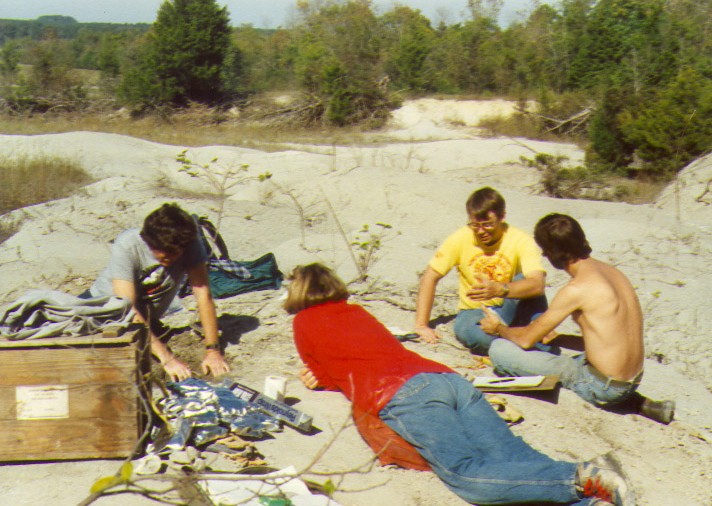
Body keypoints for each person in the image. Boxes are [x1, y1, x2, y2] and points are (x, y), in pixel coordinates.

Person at [285, 262, 635, 506]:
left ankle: (580, 477)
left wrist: (318, 380)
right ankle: (589, 501)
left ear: (300, 290)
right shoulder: (357, 310)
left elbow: (331, 376)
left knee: (467, 476)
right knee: (513, 457)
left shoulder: (303, 321)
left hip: (403, 393)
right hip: (447, 379)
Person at [480, 213, 674, 424]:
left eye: (545, 250)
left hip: (603, 386)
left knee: (499, 350)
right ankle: (639, 402)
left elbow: (526, 339)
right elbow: (610, 341)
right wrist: (559, 339)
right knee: (571, 361)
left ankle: (626, 402)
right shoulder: (615, 274)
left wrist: (498, 328)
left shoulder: (577, 289)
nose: (545, 255)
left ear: (553, 251)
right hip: (631, 379)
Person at [85, 202, 230, 381]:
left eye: (174, 253)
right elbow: (126, 308)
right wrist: (167, 359)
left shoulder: (190, 244)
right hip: (99, 308)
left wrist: (213, 350)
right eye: (162, 253)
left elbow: (203, 295)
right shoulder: (128, 245)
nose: (167, 258)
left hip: (146, 316)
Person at [415, 186, 548, 354]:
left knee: (525, 280)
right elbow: (430, 276)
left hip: (511, 304)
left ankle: (528, 339)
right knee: (479, 338)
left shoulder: (520, 240)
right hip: (476, 311)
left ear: (502, 217)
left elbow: (537, 285)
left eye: (488, 225)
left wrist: (499, 289)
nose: (481, 231)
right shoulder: (460, 238)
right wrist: (421, 325)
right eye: (475, 225)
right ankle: (519, 340)